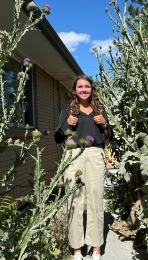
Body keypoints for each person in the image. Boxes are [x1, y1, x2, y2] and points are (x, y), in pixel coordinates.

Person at [54, 75, 113, 260]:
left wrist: (103, 123)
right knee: (74, 200)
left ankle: (96, 248)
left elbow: (108, 137)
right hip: (73, 155)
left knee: (96, 199)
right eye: (80, 86)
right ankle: (77, 249)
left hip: (95, 154)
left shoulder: (99, 110)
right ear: (75, 90)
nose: (84, 89)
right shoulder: (67, 111)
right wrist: (67, 125)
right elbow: (58, 137)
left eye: (87, 86)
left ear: (91, 89)